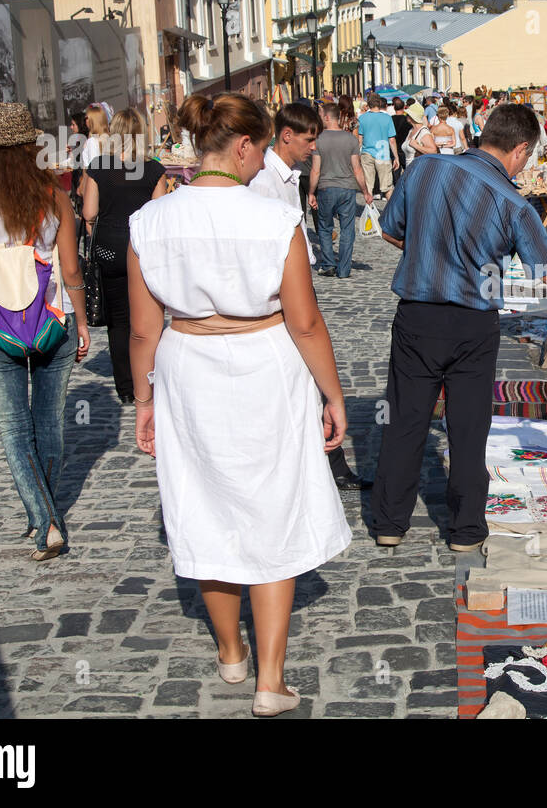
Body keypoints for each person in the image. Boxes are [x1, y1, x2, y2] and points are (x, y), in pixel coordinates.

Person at [127, 92, 351, 717]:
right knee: (271, 507)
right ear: (244, 146)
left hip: (186, 368)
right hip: (265, 364)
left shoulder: (150, 222)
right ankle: (270, 679)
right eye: (260, 150)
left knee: (203, 504)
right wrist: (332, 395)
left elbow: (142, 332)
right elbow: (306, 323)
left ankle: (231, 652)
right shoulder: (272, 221)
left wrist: (144, 400)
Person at [370, 105, 547, 551]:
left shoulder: (424, 170)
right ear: (520, 150)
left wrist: (428, 250)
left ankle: (389, 523)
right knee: (468, 427)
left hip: (417, 314)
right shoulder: (514, 203)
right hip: (472, 324)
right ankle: (466, 530)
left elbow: (392, 231)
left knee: (404, 420)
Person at [0, 103, 91, 561]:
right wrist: (83, 321)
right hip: (53, 319)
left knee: (14, 429)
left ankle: (45, 519)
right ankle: (44, 514)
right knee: (49, 424)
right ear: (31, 146)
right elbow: (71, 268)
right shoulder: (54, 197)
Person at [80, 107, 167, 402]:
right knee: (146, 319)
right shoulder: (153, 169)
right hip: (141, 249)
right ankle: (148, 381)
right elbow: (160, 214)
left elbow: (89, 212)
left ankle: (126, 387)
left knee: (118, 322)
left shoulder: (98, 166)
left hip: (108, 249)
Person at [248, 102, 319, 268]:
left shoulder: (290, 173)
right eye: (309, 140)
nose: (314, 147)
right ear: (287, 135)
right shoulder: (265, 180)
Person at [308, 102, 374, 279]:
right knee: (347, 229)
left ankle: (328, 263)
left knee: (325, 227)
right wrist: (366, 192)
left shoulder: (319, 140)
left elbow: (315, 170)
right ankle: (344, 269)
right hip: (347, 189)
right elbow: (357, 169)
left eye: (322, 116)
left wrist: (311, 192)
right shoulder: (350, 139)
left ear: (328, 117)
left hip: (326, 188)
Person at [357, 94, 400, 202]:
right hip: (383, 153)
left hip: (367, 153)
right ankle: (391, 213)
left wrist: (357, 154)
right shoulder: (387, 118)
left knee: (369, 185)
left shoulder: (362, 118)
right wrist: (396, 157)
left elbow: (360, 139)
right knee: (387, 187)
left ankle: (370, 211)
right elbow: (392, 140)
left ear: (368, 104)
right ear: (380, 103)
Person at [402, 101, 439, 167]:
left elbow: (434, 151)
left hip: (418, 170)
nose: (406, 116)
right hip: (409, 169)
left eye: (408, 114)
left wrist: (416, 146)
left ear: (412, 116)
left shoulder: (423, 132)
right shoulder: (411, 130)